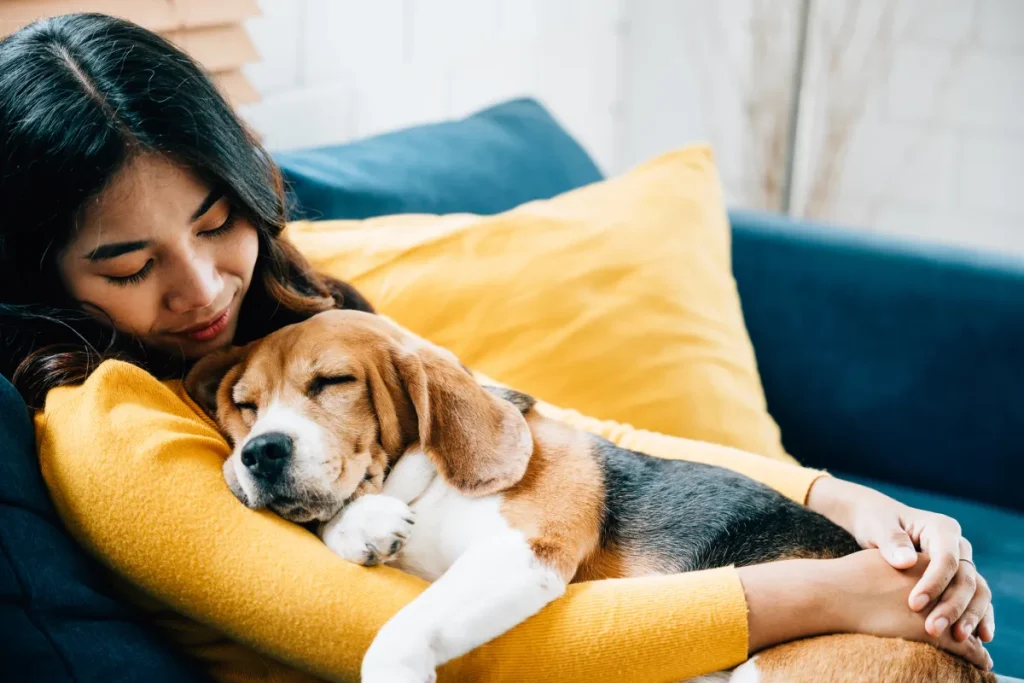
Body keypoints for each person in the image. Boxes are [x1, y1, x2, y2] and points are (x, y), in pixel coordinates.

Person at [0, 12, 997, 683]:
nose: (202, 283)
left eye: (217, 220)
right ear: (43, 271)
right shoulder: (108, 423)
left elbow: (558, 434)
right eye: (129, 266)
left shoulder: (302, 328)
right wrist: (833, 590)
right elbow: (395, 641)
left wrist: (851, 505)